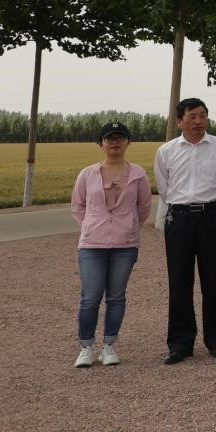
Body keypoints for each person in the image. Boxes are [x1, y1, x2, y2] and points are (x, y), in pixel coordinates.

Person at [154, 97, 216, 364]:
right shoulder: (166, 151)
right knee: (179, 282)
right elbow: (164, 188)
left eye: (202, 115)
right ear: (179, 121)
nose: (198, 121)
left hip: (212, 217)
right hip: (179, 219)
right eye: (192, 116)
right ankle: (180, 344)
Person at [70, 122, 153, 368]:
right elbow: (78, 205)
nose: (115, 142)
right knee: (90, 297)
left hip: (125, 246)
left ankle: (108, 346)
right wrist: (92, 226)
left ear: (128, 142)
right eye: (109, 138)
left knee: (116, 297)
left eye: (120, 137)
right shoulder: (87, 174)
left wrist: (128, 227)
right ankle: (86, 347)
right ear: (101, 143)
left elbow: (144, 206)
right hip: (92, 245)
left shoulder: (138, 174)